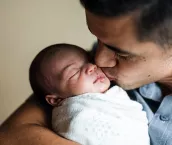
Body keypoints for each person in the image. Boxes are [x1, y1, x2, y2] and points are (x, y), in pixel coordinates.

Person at [0, 0, 172, 145]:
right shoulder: (90, 73)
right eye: (98, 39)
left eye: (121, 53)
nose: (98, 61)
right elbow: (10, 135)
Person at [29, 43, 149, 145]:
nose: (92, 67)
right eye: (74, 73)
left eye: (90, 61)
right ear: (55, 100)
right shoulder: (75, 114)